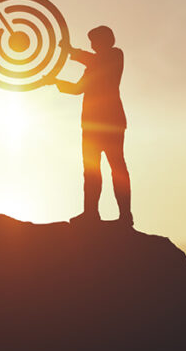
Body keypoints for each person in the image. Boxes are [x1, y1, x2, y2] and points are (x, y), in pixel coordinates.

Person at [52, 26, 132, 226]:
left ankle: (124, 216)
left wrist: (71, 51)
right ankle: (90, 214)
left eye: (94, 41)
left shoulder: (114, 55)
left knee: (117, 168)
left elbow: (95, 61)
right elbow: (78, 89)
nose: (92, 45)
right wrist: (54, 81)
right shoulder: (93, 65)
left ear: (105, 40)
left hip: (110, 123)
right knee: (91, 171)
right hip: (91, 124)